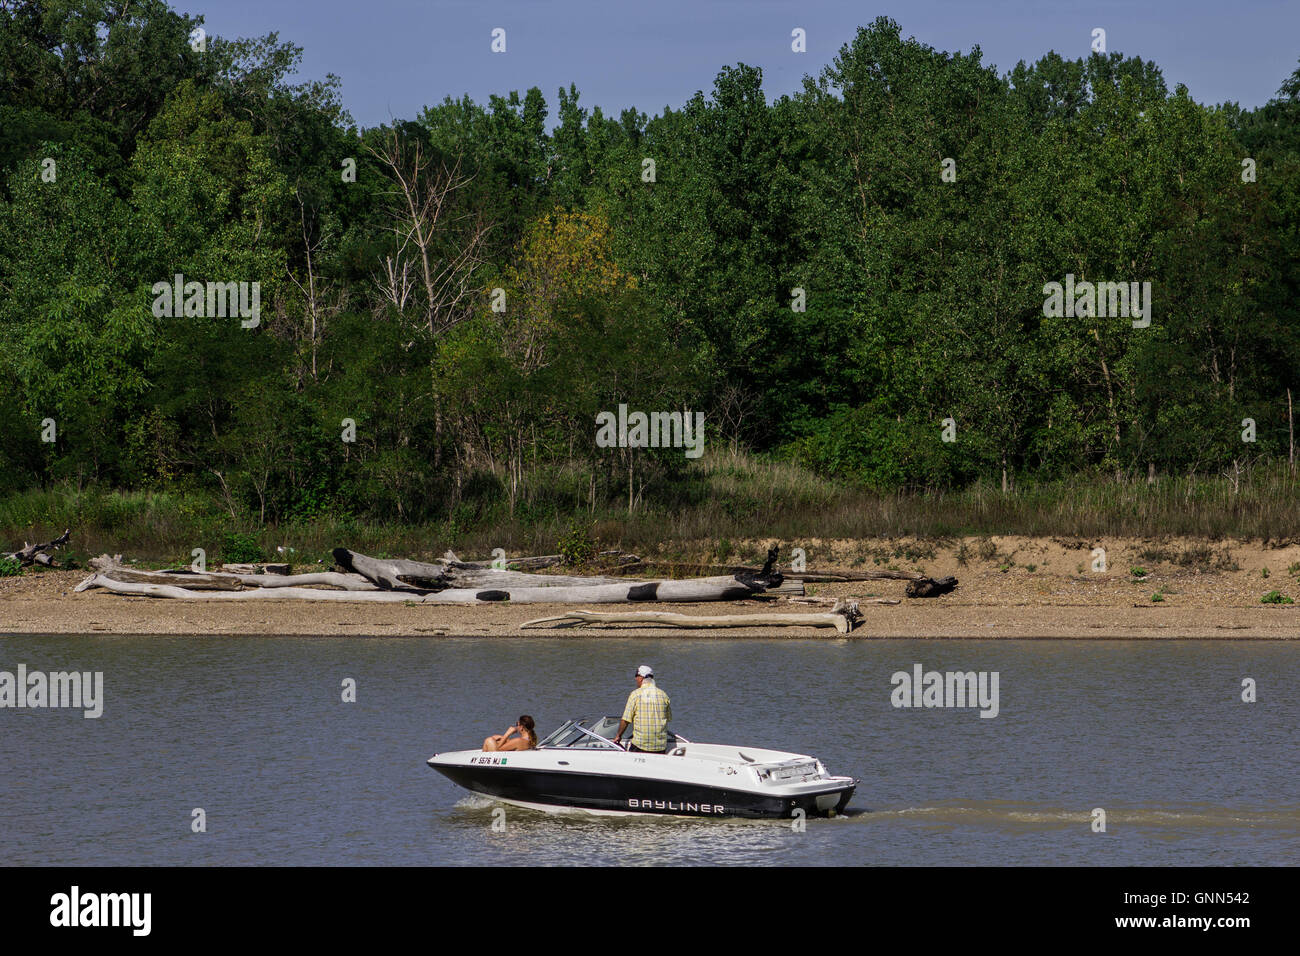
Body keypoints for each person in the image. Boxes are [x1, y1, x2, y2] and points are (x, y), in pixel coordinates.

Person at [613, 665, 671, 753]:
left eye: (636, 677)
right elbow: (668, 718)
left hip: (640, 746)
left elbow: (625, 720)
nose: (635, 679)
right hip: (660, 746)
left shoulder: (635, 695)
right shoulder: (664, 695)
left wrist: (618, 736)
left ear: (640, 678)